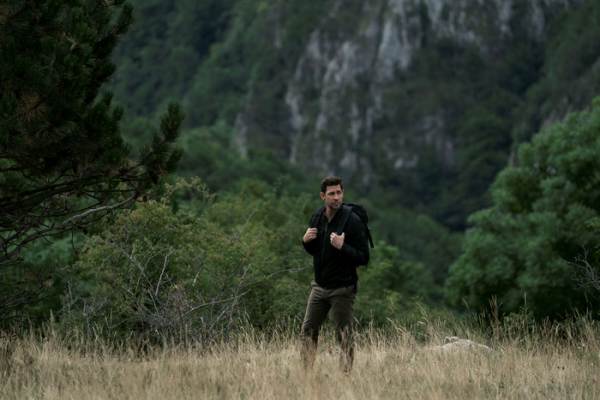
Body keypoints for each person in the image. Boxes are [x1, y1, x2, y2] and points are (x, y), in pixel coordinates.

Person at [300, 176, 369, 373]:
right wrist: (305, 242)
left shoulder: (352, 221)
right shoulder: (317, 217)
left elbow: (364, 257)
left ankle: (345, 377)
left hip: (342, 289)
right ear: (323, 196)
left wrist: (342, 246)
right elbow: (317, 251)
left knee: (344, 336)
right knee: (307, 332)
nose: (336, 197)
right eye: (332, 194)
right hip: (319, 287)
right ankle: (305, 376)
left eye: (339, 192)